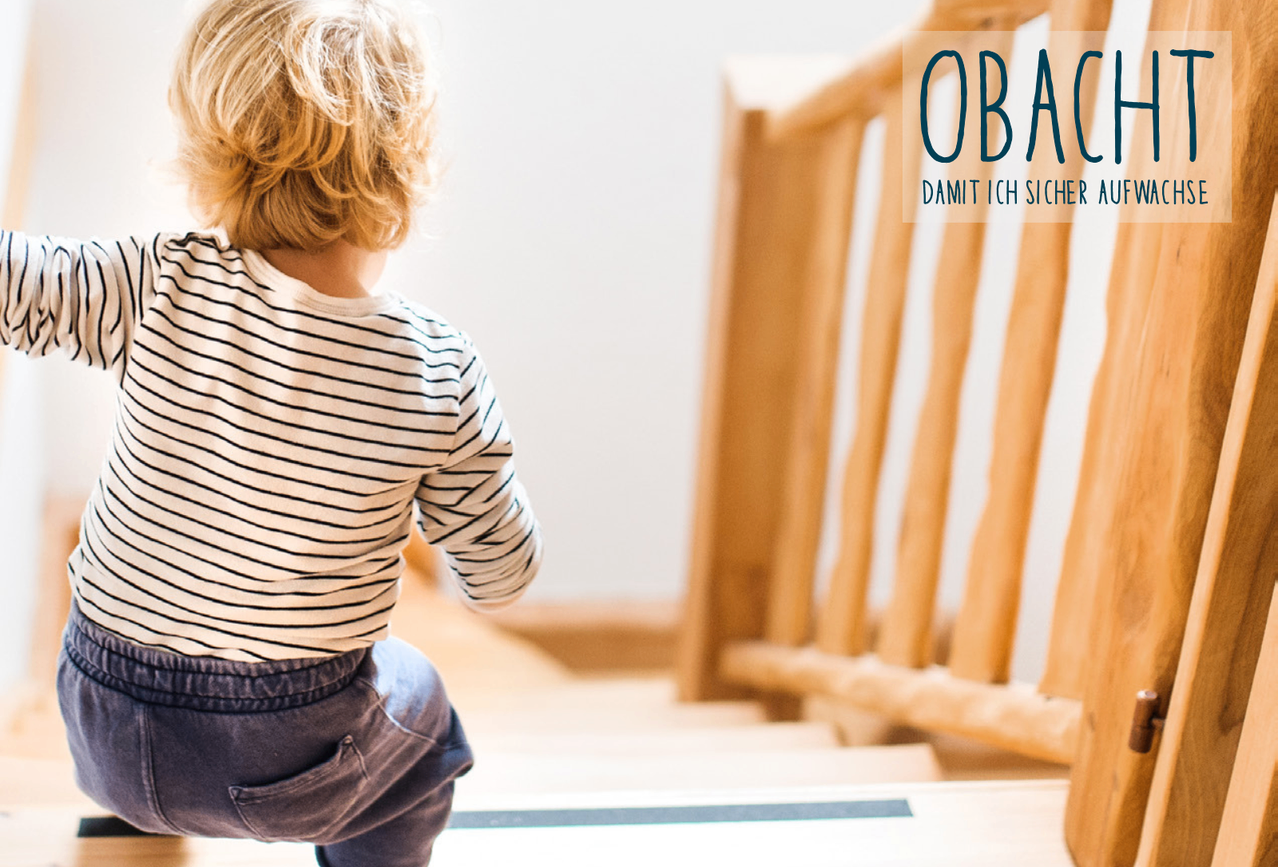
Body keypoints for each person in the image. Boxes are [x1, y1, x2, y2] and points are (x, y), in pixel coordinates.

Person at [0, 1, 542, 864]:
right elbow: (499, 577)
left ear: (206, 151)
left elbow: (13, 284)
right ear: (410, 164)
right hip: (286, 763)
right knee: (425, 714)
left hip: (97, 721)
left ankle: (138, 816)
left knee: (156, 692)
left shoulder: (156, 281)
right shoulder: (436, 368)